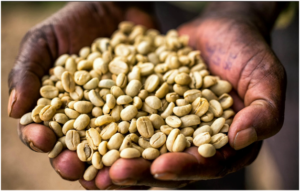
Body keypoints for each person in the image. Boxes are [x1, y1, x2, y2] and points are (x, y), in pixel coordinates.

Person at [8, 2, 287, 189]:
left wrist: (247, 6)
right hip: (162, 5)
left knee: (286, 159)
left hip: (275, 19)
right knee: (198, 172)